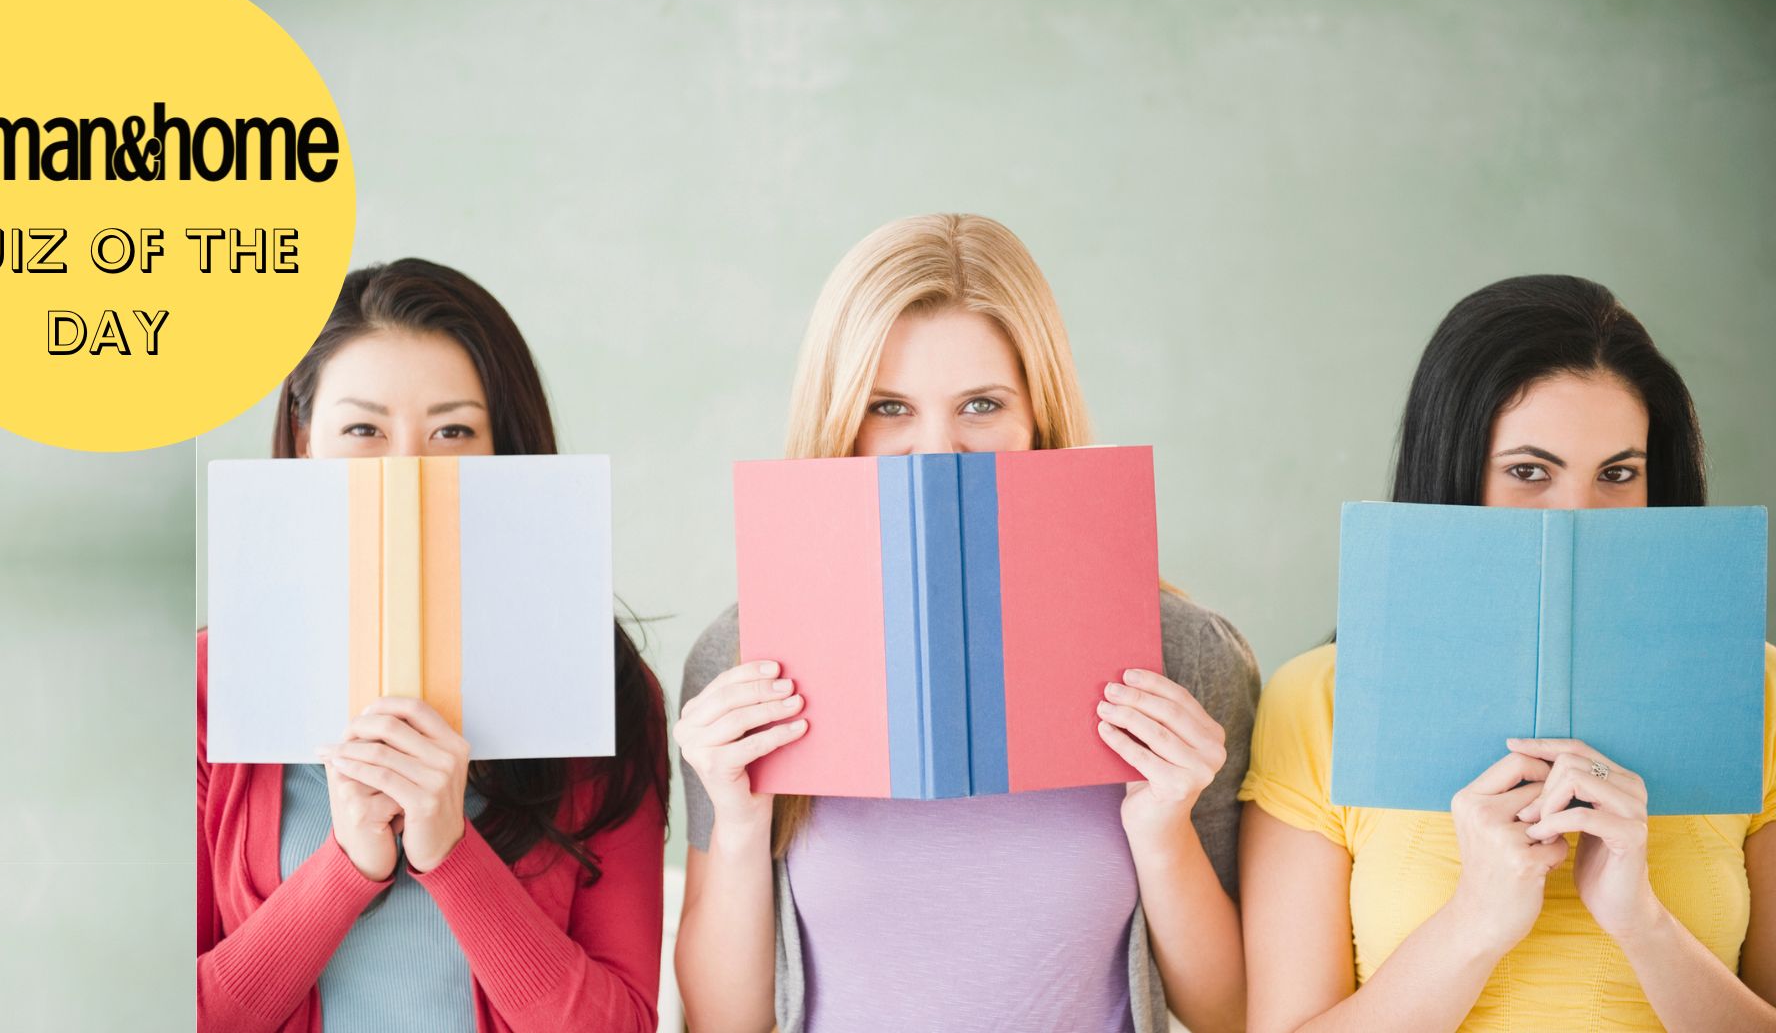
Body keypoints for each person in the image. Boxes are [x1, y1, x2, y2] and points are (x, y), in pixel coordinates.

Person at [673, 213, 1259, 1033]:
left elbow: (1230, 1014)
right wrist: (738, 825)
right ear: (837, 422)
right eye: (889, 408)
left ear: (1038, 421)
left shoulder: (1182, 656)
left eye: (981, 405)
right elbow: (721, 1023)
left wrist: (1161, 829)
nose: (937, 453)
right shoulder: (741, 662)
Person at [1240, 274, 1776, 1031]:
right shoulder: (1321, 700)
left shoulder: (1759, 690)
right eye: (1530, 472)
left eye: (1618, 474)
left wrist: (1642, 923)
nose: (1578, 517)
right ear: (1457, 474)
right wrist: (1477, 920)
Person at [196, 258, 669, 1033]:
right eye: (363, 430)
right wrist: (345, 867)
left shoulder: (607, 689)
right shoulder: (208, 687)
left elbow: (622, 1025)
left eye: (453, 430)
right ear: (305, 444)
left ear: (504, 452)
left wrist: (451, 852)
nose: (408, 468)